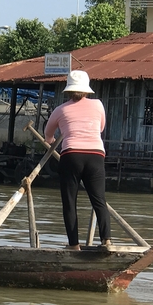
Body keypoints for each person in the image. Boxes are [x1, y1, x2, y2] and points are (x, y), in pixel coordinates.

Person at [44, 70, 111, 251]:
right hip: (96, 155)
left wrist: (53, 145)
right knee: (99, 200)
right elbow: (101, 127)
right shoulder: (98, 105)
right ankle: (106, 240)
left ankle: (74, 245)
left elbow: (48, 136)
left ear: (69, 91)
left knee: (69, 202)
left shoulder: (60, 110)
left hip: (71, 155)